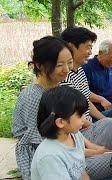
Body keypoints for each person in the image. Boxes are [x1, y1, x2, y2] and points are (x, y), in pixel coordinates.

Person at [12, 36, 73, 179]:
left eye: (69, 63)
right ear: (39, 65)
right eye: (59, 65)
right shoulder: (33, 97)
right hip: (42, 159)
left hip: (60, 146)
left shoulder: (56, 86)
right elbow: (39, 141)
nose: (66, 69)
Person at [60, 27, 112, 149]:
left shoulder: (79, 70)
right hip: (78, 132)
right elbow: (72, 116)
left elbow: (86, 101)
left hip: (89, 123)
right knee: (110, 123)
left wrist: (102, 120)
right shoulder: (64, 75)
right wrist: (96, 127)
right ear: (71, 47)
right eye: (88, 47)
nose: (90, 52)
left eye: (91, 48)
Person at [31, 86, 89, 179]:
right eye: (80, 115)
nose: (84, 119)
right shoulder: (50, 157)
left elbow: (81, 170)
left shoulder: (75, 135)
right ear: (61, 122)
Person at [82, 40, 112, 123]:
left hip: (111, 105)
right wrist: (101, 100)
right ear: (101, 53)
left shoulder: (110, 64)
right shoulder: (87, 67)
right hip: (96, 111)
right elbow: (82, 93)